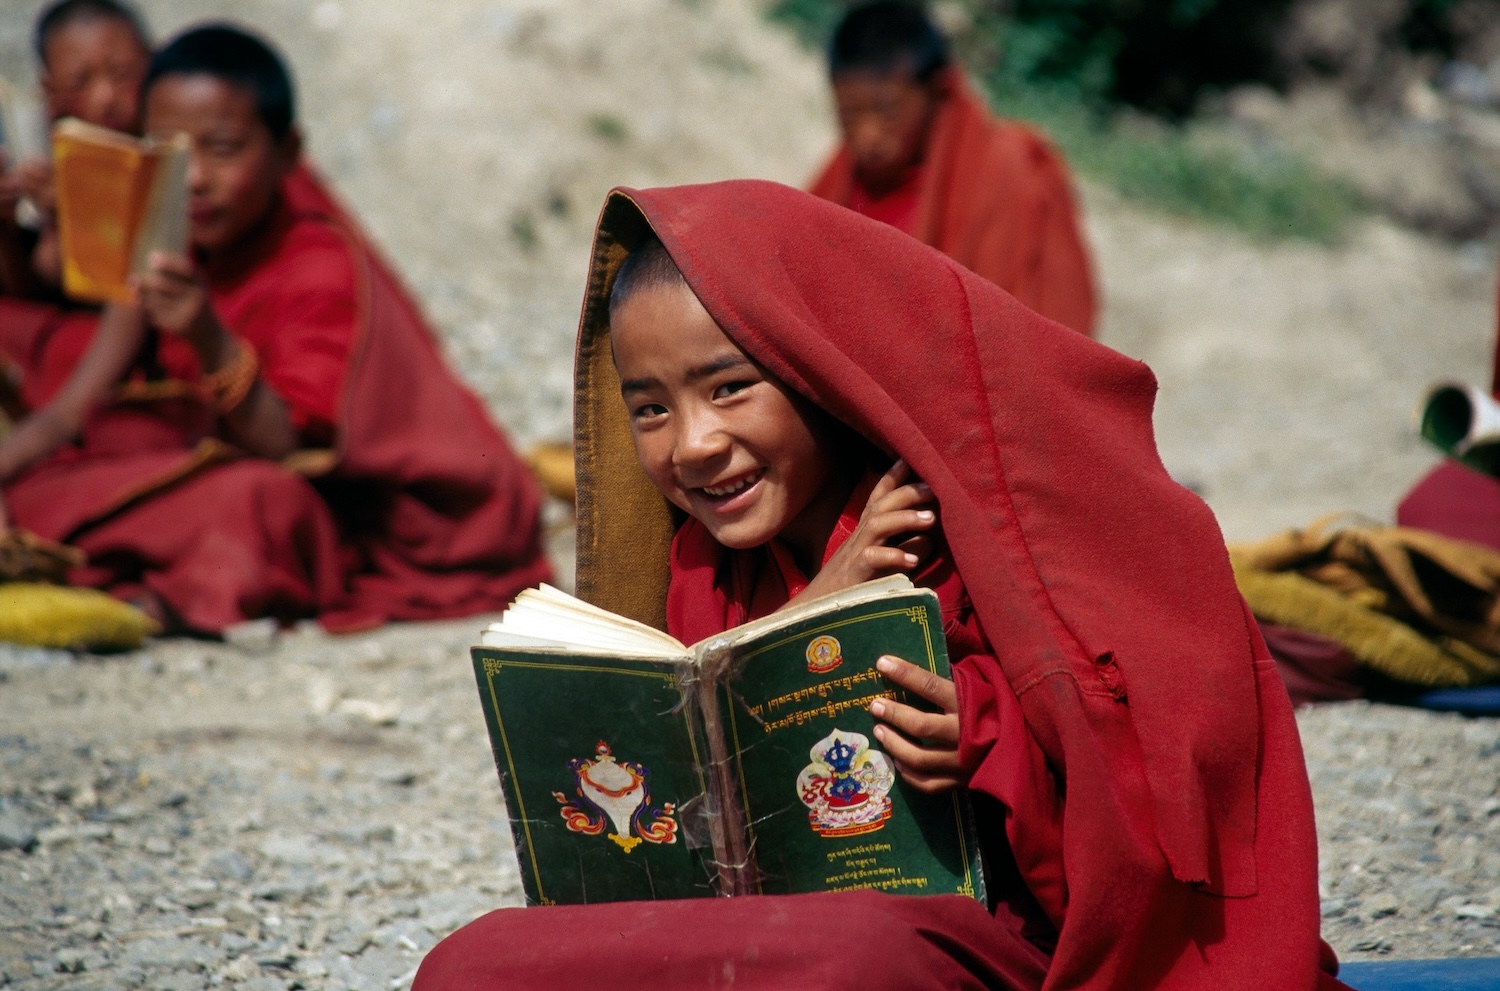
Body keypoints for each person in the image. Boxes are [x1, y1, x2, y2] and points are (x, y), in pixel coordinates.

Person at [413, 180, 1345, 990]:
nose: (691, 444)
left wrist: (977, 732)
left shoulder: (950, 536)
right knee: (467, 963)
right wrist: (819, 600)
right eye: (650, 408)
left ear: (819, 372)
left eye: (730, 388)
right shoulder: (699, 566)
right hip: (751, 940)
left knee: (853, 959)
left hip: (945, 943)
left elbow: (1143, 766)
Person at [1, 24, 550, 634]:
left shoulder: (314, 259)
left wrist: (208, 337)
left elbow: (287, 450)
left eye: (224, 149)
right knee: (80, 453)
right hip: (203, 466)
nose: (194, 179)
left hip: (343, 510)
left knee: (259, 506)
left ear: (287, 153)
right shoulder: (163, 237)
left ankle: (150, 588)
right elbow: (72, 408)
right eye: (168, 152)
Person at [808, 1, 1097, 337]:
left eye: (888, 112)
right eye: (849, 114)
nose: (868, 135)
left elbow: (1055, 323)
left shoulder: (1008, 168)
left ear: (937, 90)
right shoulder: (847, 177)